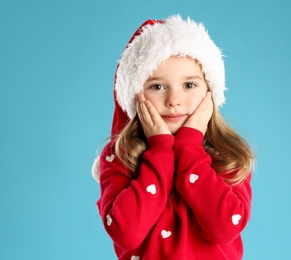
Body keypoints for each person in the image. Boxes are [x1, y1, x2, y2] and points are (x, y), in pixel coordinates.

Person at [92, 15, 254, 260]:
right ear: (136, 95)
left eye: (189, 85)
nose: (174, 100)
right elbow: (126, 233)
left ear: (210, 91)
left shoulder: (228, 154)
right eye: (157, 86)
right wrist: (160, 150)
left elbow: (224, 229)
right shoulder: (119, 155)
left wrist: (189, 147)